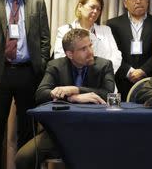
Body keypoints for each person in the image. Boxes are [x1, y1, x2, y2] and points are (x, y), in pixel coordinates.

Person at [15, 28, 115, 169]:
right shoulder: (55, 66)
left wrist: (75, 89)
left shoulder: (104, 65)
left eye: (90, 45)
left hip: (95, 130)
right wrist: (74, 99)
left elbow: (107, 93)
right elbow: (41, 94)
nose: (90, 51)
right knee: (23, 158)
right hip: (59, 130)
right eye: (83, 49)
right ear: (70, 54)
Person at [0, 0, 50, 169]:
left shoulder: (37, 2)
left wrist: (39, 69)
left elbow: (44, 38)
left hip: (27, 73)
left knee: (27, 128)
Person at [107, 0, 152, 101]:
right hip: (121, 80)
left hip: (149, 82)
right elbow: (110, 52)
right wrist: (128, 71)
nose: (138, 1)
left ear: (147, 0)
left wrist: (144, 70)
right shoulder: (112, 24)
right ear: (125, 2)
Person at [53, 0, 122, 75]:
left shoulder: (106, 30)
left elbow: (116, 56)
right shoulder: (64, 31)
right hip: (75, 81)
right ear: (80, 7)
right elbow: (60, 60)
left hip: (103, 80)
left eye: (98, 9)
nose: (95, 11)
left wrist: (103, 74)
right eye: (92, 7)